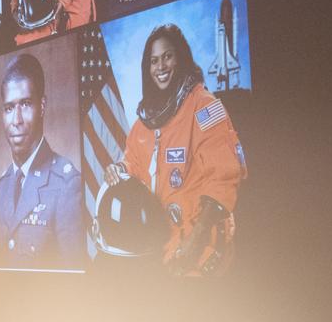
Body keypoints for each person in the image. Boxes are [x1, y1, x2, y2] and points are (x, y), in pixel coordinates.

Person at [103, 24, 246, 275]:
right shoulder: (144, 124)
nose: (161, 67)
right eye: (154, 61)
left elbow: (223, 176)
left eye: (167, 56)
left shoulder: (204, 106)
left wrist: (197, 238)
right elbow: (135, 164)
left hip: (200, 244)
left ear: (180, 58)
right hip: (161, 243)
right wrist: (119, 170)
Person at [0, 53, 84, 267]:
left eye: (25, 104)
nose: (16, 120)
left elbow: (74, 280)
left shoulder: (67, 184)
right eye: (9, 108)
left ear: (42, 105)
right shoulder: (1, 188)